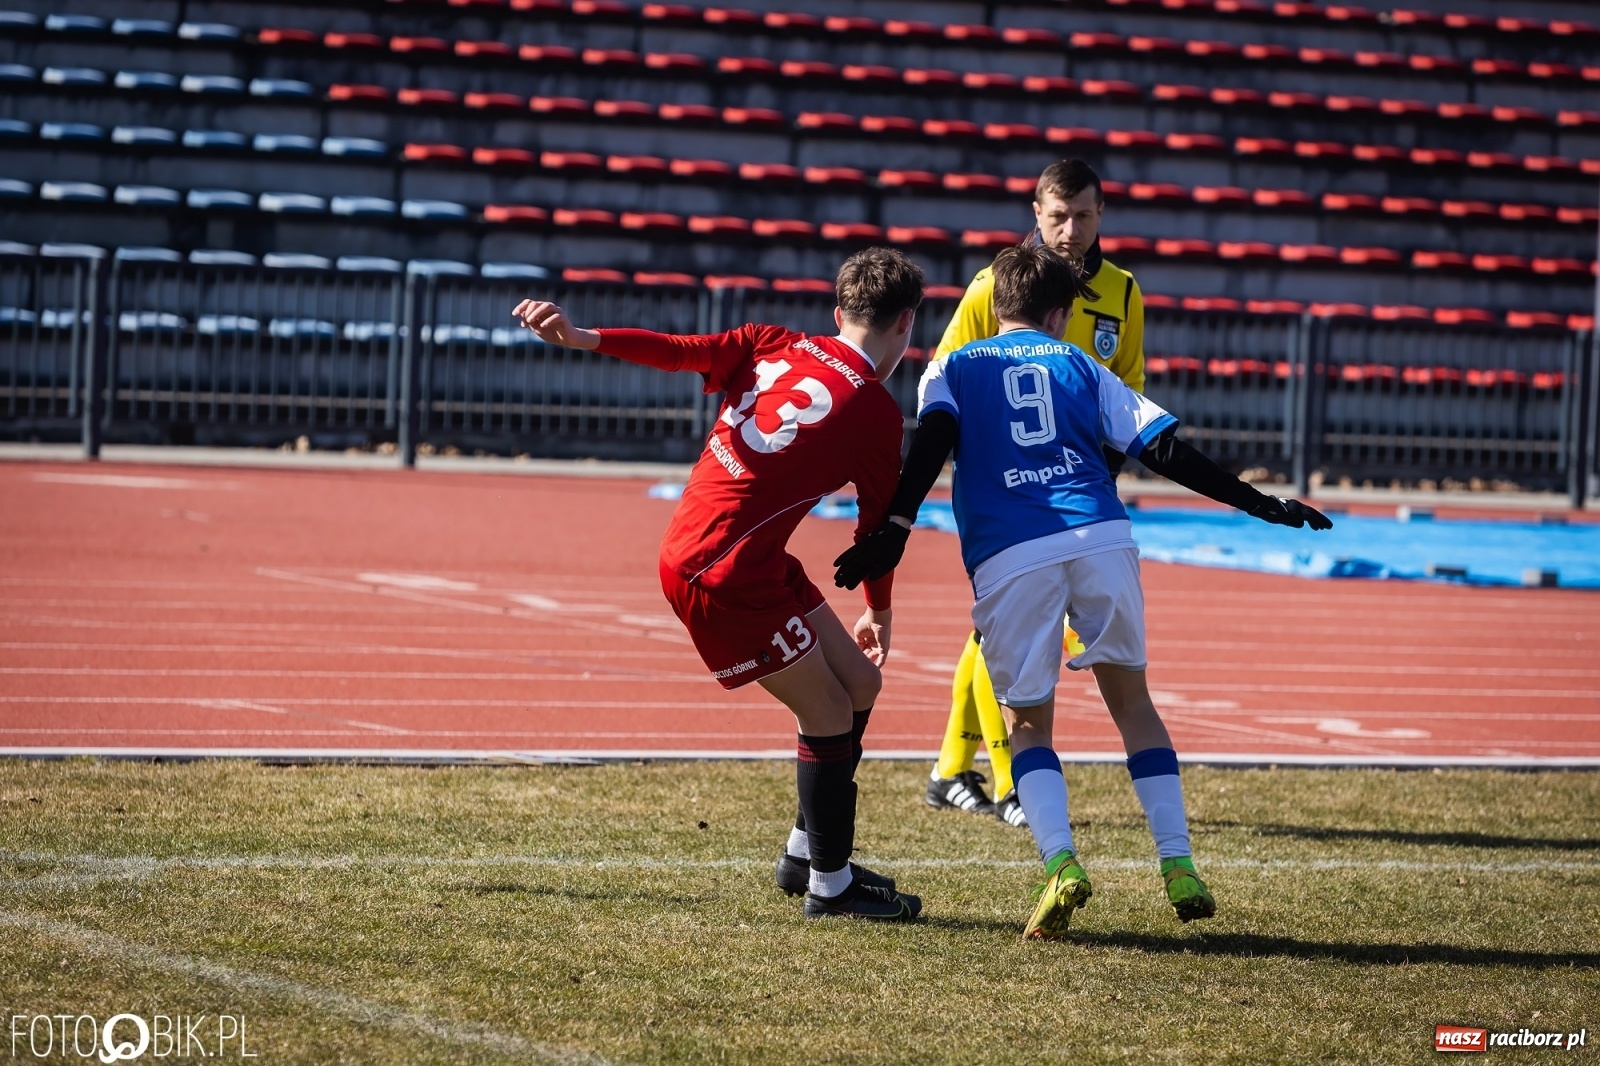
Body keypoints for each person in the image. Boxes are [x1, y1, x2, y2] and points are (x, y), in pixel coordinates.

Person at [834, 244, 1331, 938]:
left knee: (1031, 724)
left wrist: (896, 521)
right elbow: (1163, 450)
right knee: (1134, 704)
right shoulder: (1082, 363)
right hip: (1102, 537)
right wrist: (1256, 502)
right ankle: (1178, 862)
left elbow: (932, 441)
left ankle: (1062, 863)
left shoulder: (952, 365)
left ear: (993, 306)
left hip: (1012, 554)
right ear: (1063, 314)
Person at [513, 247, 926, 921]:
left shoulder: (774, 341)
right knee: (824, 711)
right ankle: (831, 885)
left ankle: (806, 852)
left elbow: (680, 351)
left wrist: (583, 337)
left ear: (837, 313)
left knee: (859, 684)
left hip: (739, 554)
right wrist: (879, 609)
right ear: (907, 323)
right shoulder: (874, 410)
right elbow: (875, 531)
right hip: (721, 570)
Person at [926, 159, 1146, 828]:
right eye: (1058, 216)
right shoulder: (992, 285)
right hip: (1006, 492)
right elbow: (944, 378)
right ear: (1036, 212)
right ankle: (1010, 781)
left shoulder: (1123, 292)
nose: (1070, 229)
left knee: (990, 634)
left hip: (1077, 497)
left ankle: (946, 770)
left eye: (1083, 215)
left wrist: (1099, 481)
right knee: (1006, 636)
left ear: (1102, 214)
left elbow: (1127, 388)